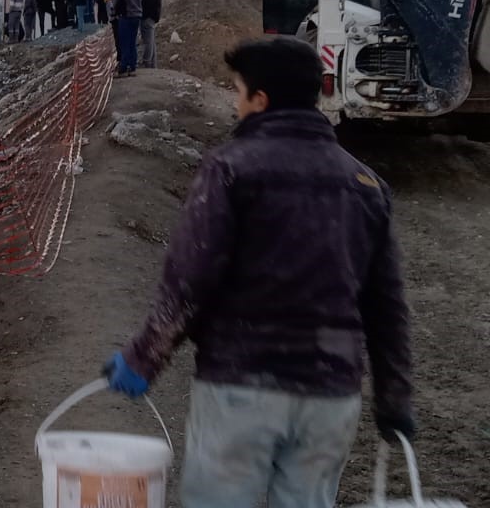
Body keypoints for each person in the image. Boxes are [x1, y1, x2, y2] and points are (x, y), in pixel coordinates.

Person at [104, 38, 413, 508]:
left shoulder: (231, 169)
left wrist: (144, 357)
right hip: (330, 396)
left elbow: (190, 280)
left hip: (241, 386)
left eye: (238, 90)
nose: (235, 102)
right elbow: (387, 306)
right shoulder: (366, 185)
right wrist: (393, 399)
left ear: (260, 100)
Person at [111, 0, 145, 77]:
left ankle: (123, 68)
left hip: (125, 16)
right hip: (137, 16)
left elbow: (115, 1)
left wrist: (113, 12)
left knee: (124, 42)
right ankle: (132, 67)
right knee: (132, 42)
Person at [140, 0, 164, 69]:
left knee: (148, 40)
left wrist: (144, 15)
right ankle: (152, 63)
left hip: (148, 16)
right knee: (151, 40)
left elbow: (148, 3)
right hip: (153, 16)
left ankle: (147, 62)